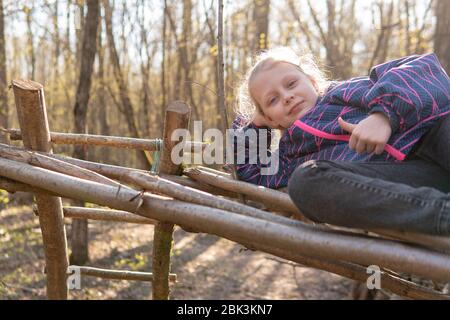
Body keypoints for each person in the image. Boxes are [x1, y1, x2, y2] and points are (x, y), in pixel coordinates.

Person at [230, 47, 450, 235]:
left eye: (291, 84)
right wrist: (255, 126)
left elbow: (422, 67)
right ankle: (444, 214)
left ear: (313, 82)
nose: (286, 96)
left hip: (431, 137)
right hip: (406, 180)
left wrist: (383, 116)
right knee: (304, 182)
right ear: (270, 118)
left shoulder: (344, 92)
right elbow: (252, 176)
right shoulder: (289, 156)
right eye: (273, 100)